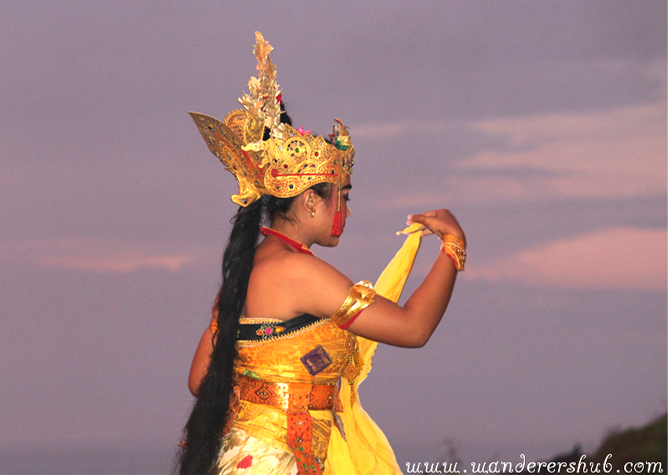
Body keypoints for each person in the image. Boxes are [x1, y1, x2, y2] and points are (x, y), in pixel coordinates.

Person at [178, 32, 466, 475]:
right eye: (343, 196)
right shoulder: (298, 272)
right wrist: (452, 246)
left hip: (239, 456)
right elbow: (412, 328)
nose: (347, 210)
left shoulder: (249, 268)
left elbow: (201, 379)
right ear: (311, 201)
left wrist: (269, 390)